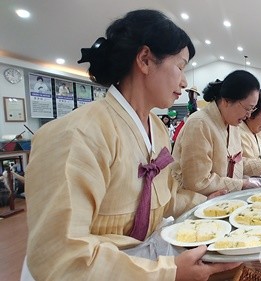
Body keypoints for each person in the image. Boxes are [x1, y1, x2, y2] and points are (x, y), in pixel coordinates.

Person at [23, 9, 238, 281]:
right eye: (181, 66)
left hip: (142, 261)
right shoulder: (77, 134)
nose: (184, 81)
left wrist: (207, 201)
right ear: (145, 60)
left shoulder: (157, 129)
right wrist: (168, 273)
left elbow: (165, 199)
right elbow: (60, 257)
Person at [170, 70, 261, 197]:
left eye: (252, 109)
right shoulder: (200, 124)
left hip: (224, 199)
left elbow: (236, 162)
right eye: (247, 108)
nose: (249, 115)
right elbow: (197, 181)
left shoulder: (232, 123)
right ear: (226, 101)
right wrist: (242, 184)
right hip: (197, 203)